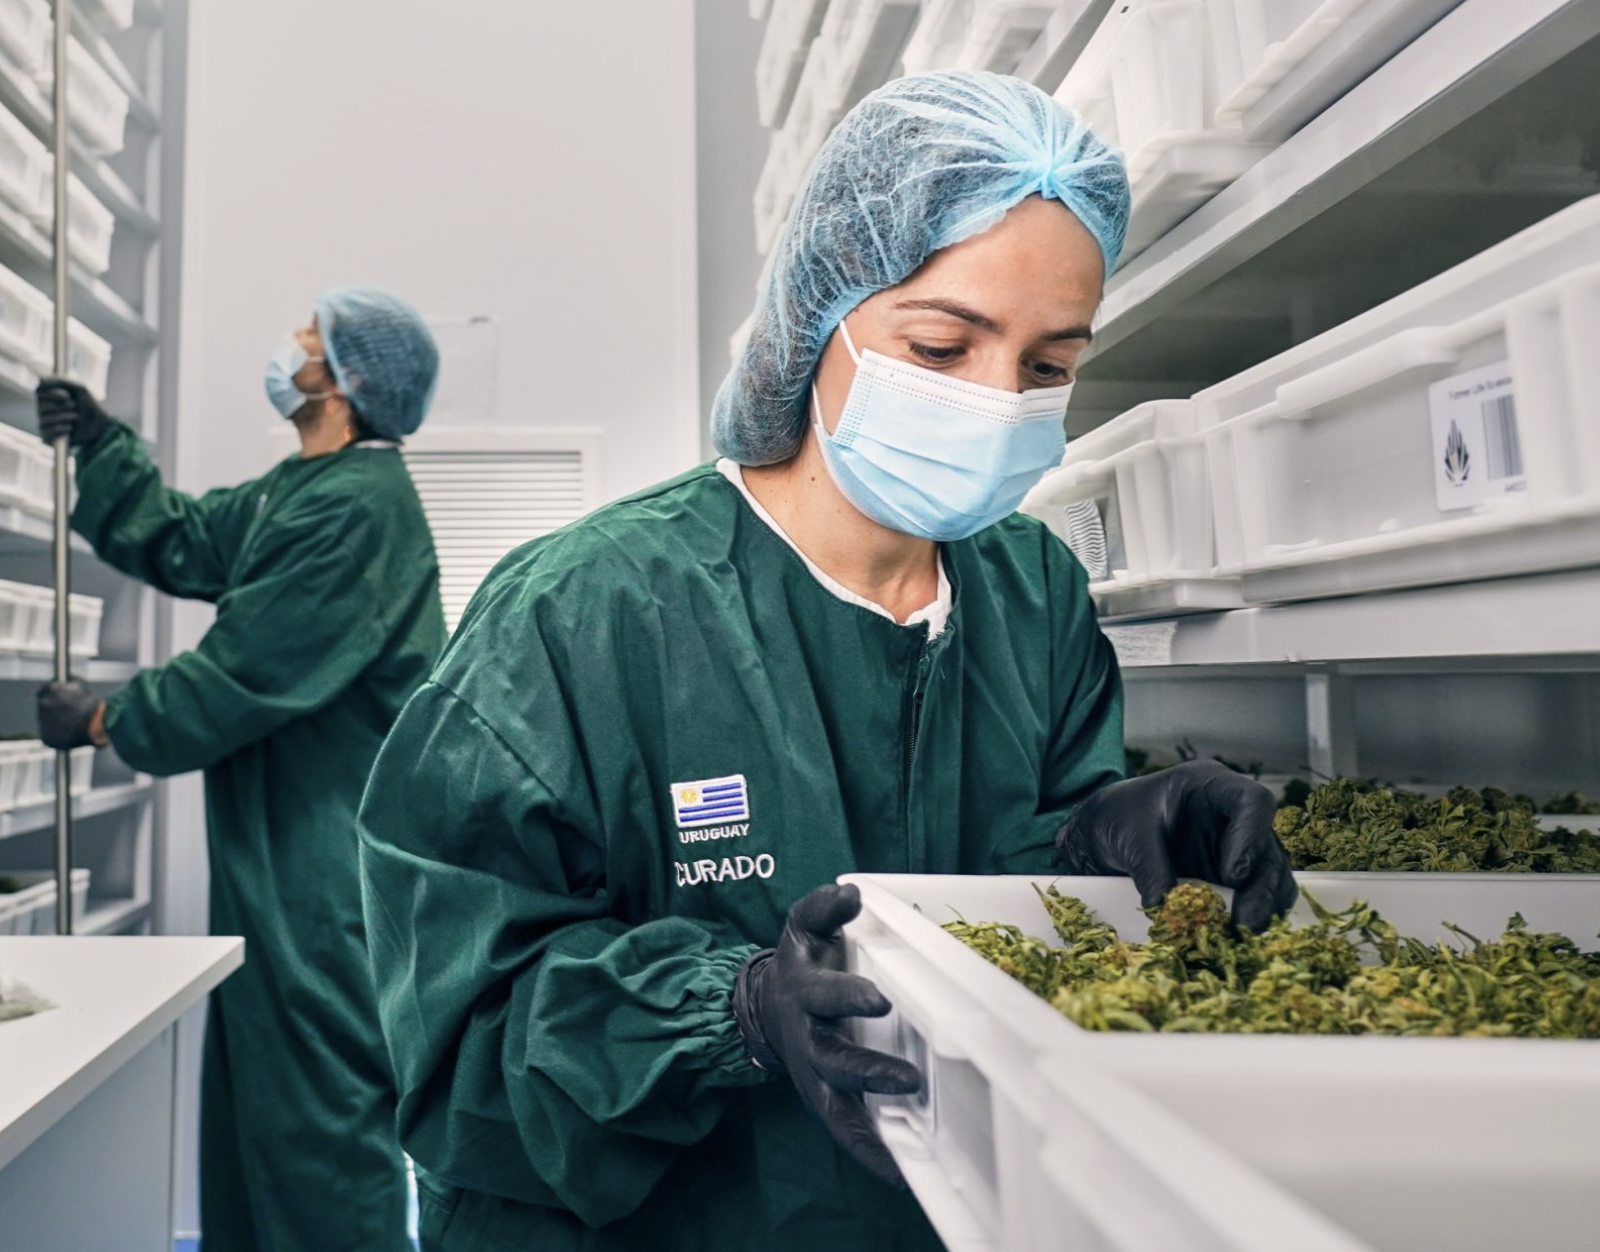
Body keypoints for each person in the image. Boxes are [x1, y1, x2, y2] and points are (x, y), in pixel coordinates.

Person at [355, 71, 1295, 1250]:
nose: (999, 402)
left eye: (1049, 365)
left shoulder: (1032, 593)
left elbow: (998, 861)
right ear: (821, 313)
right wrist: (730, 1012)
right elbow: (457, 1040)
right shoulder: (581, 613)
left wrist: (1105, 834)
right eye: (945, 344)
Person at [36, 285, 447, 1252]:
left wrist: (104, 716)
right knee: (257, 1096)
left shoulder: (359, 507)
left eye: (312, 338)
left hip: (324, 854)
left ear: (342, 383)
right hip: (276, 843)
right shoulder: (300, 488)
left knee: (320, 1109)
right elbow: (184, 538)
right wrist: (104, 443)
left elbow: (247, 671)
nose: (292, 344)